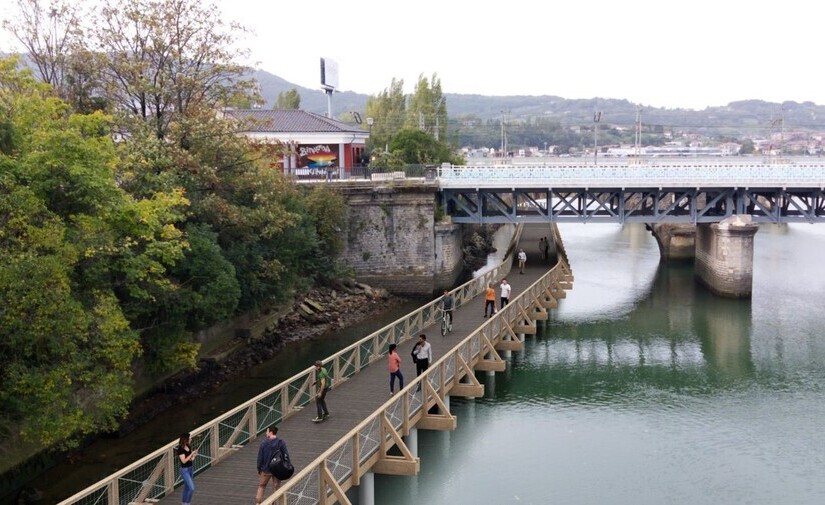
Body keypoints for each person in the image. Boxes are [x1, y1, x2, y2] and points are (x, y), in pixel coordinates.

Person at [255, 425, 289, 503]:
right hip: (277, 469)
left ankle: (258, 503)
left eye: (266, 431)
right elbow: (285, 455)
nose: (266, 433)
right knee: (276, 486)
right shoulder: (281, 443)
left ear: (270, 432)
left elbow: (260, 457)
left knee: (262, 486)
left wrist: (259, 468)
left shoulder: (264, 443)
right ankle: (273, 503)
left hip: (266, 469)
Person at [177, 433, 197, 505]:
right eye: (190, 438)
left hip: (190, 468)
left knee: (187, 487)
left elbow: (189, 459)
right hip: (184, 470)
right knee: (192, 488)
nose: (191, 439)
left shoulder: (188, 446)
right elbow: (184, 461)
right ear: (186, 439)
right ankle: (187, 503)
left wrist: (194, 456)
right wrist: (191, 454)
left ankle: (184, 503)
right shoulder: (180, 449)